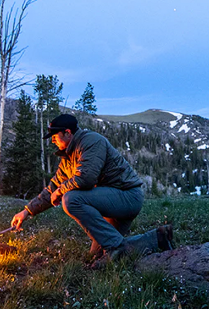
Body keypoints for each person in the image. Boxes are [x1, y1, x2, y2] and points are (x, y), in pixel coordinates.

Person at [11, 114, 173, 269]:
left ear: (67, 133)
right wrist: (27, 211)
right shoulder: (68, 157)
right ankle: (157, 238)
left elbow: (86, 178)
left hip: (127, 197)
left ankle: (116, 247)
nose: (53, 140)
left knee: (71, 199)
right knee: (97, 253)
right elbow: (52, 187)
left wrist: (61, 191)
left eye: (54, 136)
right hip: (111, 204)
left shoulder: (91, 142)